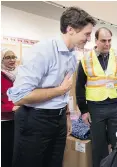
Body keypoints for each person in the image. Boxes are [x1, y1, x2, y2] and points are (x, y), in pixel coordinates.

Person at [7, 7, 96, 167]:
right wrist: (59, 90)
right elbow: (18, 97)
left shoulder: (71, 55)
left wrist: (67, 115)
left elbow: (66, 90)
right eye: (87, 34)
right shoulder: (42, 52)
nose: (89, 39)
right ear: (70, 29)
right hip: (34, 120)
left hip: (59, 119)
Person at [76, 27, 117, 167]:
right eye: (103, 41)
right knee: (99, 145)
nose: (107, 44)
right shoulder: (86, 59)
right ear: (96, 41)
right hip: (96, 107)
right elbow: (79, 86)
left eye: (109, 40)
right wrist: (84, 110)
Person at [1, 49, 19, 167]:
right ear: (2, 60)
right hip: (4, 121)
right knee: (5, 153)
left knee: (15, 152)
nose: (12, 60)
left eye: (13, 57)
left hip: (18, 119)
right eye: (8, 57)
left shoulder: (19, 74)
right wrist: (12, 107)